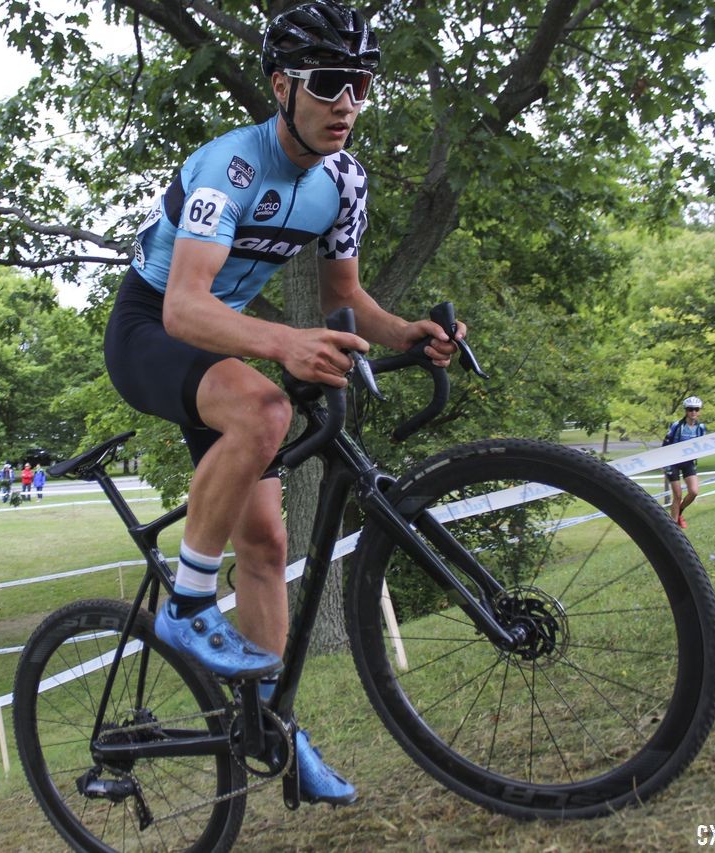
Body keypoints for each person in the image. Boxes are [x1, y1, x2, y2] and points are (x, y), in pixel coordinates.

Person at [102, 1, 461, 806]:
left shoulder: (344, 181)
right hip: (151, 328)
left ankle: (271, 730)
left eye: (362, 85)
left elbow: (348, 295)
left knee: (268, 543)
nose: (348, 103)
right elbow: (184, 308)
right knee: (266, 407)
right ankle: (187, 602)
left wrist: (407, 331)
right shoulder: (226, 168)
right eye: (330, 83)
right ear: (281, 86)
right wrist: (286, 341)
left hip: (220, 342)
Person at [663, 396, 708, 529]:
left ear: (699, 411)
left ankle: (679, 512)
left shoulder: (701, 427)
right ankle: (673, 527)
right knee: (677, 495)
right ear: (686, 411)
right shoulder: (677, 425)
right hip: (673, 462)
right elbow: (665, 443)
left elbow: (702, 444)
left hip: (688, 462)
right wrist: (663, 461)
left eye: (696, 409)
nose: (693, 412)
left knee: (694, 492)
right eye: (690, 409)